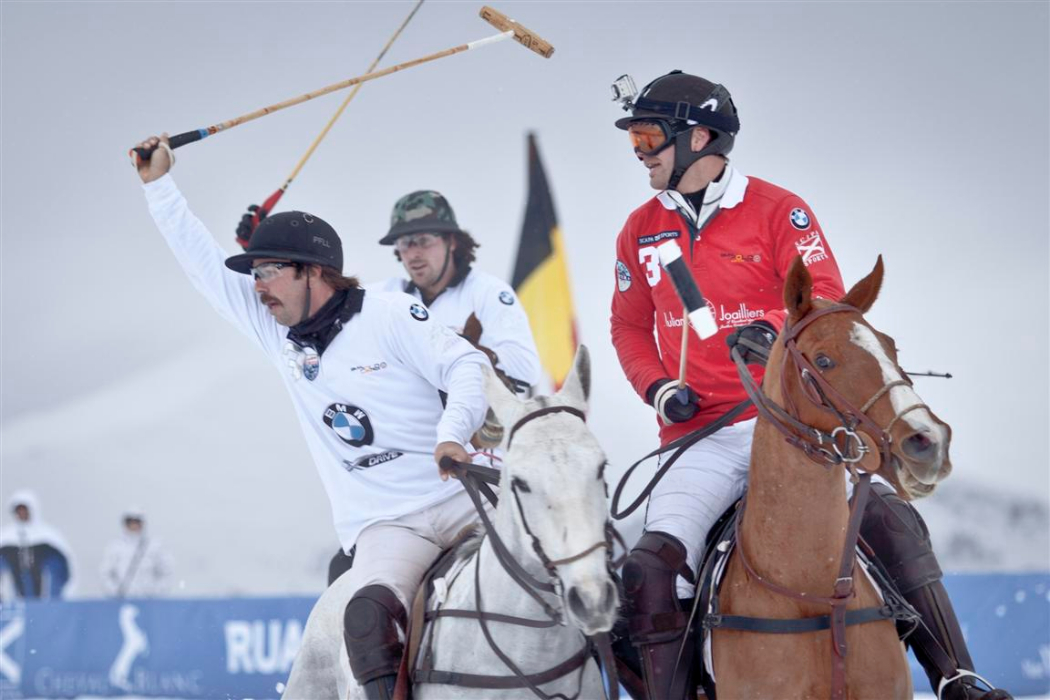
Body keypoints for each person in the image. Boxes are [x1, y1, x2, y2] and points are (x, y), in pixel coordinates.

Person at [607, 70, 1009, 700]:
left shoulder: (778, 209)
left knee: (893, 521)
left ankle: (958, 677)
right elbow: (628, 326)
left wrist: (768, 329)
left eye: (648, 137)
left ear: (700, 137)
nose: (640, 153)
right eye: (634, 140)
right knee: (650, 569)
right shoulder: (640, 229)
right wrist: (658, 388)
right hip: (699, 440)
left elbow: (822, 293)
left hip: (796, 431)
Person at [133, 134, 490, 700]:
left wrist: (451, 437)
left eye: (268, 271)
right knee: (366, 618)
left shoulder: (389, 312)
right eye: (254, 274)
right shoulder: (276, 331)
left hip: (463, 496)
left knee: (574, 566)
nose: (257, 287)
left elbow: (467, 365)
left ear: (312, 271)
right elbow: (202, 267)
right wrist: (159, 186)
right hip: (387, 524)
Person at [323, 190, 543, 586]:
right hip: (407, 486)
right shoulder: (386, 297)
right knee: (344, 575)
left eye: (423, 240)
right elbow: (323, 302)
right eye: (404, 244)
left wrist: (468, 354)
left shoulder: (489, 294)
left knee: (550, 559)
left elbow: (525, 377)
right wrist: (276, 262)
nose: (413, 253)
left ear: (452, 242)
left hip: (481, 471)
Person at [0, 490, 73, 600]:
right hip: (16, 599)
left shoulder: (47, 537)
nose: (22, 513)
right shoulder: (6, 538)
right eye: (19, 511)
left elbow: (62, 569)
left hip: (45, 599)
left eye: (24, 510)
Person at [99, 508, 174, 598]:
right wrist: (115, 592)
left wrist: (156, 593)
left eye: (136, 522)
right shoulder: (115, 547)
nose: (133, 525)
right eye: (130, 522)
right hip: (122, 600)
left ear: (142, 523)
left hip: (148, 601)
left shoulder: (154, 546)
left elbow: (167, 571)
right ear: (125, 524)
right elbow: (105, 573)